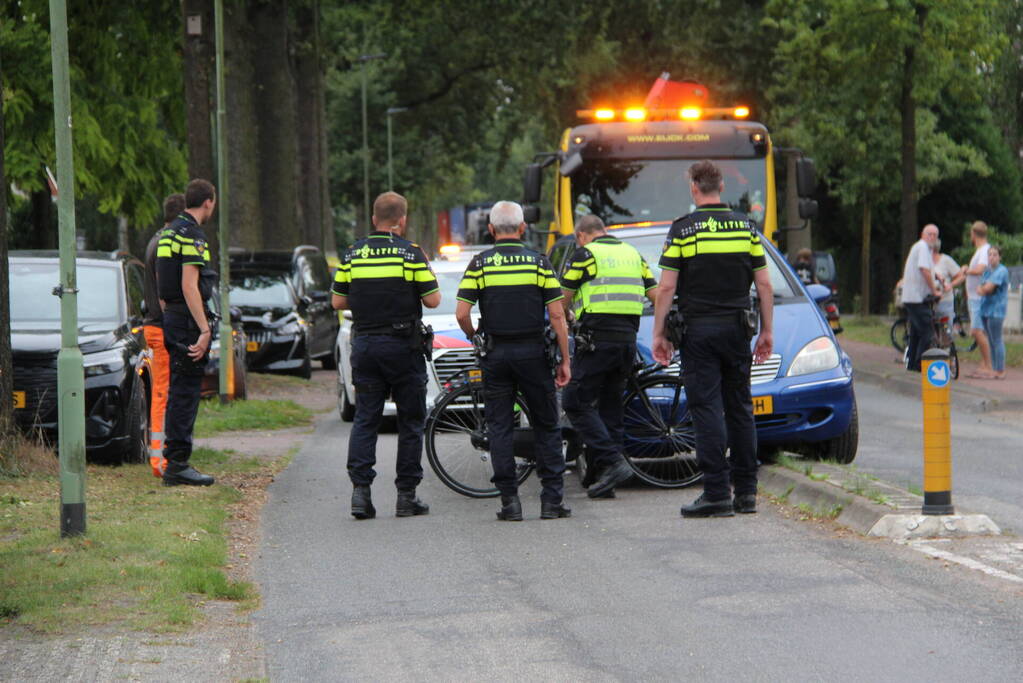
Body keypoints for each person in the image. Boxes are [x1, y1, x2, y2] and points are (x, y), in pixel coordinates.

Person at [651, 160, 773, 518]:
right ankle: (747, 493)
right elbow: (764, 284)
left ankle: (717, 492)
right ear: (721, 187)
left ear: (694, 188)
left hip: (699, 331)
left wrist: (659, 333)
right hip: (738, 329)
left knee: (706, 409)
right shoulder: (745, 227)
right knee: (740, 408)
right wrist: (767, 331)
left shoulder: (683, 230)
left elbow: (666, 287)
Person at [455, 200, 572, 521]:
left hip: (496, 355)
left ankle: (510, 503)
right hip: (535, 354)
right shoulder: (539, 263)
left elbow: (462, 313)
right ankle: (552, 501)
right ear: (522, 228)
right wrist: (564, 358)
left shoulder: (479, 264)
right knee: (547, 425)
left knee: (500, 427)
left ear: (491, 230)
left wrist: (474, 336)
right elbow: (557, 314)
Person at [332, 192, 439, 519]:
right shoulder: (411, 253)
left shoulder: (353, 254)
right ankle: (406, 496)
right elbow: (433, 300)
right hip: (403, 346)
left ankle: (360, 494)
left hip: (366, 345)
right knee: (411, 420)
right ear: (401, 220)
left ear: (373, 219)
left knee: (366, 418)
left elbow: (338, 301)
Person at [560, 215, 657, 499]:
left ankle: (614, 462)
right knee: (611, 409)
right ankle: (606, 480)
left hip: (596, 342)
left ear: (581, 235)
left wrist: (567, 318)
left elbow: (561, 299)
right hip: (627, 342)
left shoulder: (585, 255)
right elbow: (655, 294)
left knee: (574, 401)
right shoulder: (633, 254)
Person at [156, 179, 218, 486]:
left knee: (178, 388)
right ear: (208, 202)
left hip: (172, 316)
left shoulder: (168, 233)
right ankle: (178, 464)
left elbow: (162, 285)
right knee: (186, 392)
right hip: (187, 320)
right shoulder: (192, 234)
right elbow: (189, 285)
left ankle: (175, 460)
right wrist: (204, 329)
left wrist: (172, 316)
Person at [142, 192, 185, 478]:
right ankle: (161, 461)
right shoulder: (164, 245)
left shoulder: (156, 240)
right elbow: (164, 291)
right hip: (161, 326)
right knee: (163, 392)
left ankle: (162, 456)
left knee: (164, 391)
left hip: (156, 325)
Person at [899, 224, 943, 372]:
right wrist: (934, 290)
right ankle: (920, 363)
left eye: (935, 235)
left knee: (916, 333)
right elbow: (924, 270)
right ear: (923, 235)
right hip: (916, 298)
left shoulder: (922, 248)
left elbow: (927, 270)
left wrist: (937, 276)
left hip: (913, 297)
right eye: (929, 234)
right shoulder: (923, 247)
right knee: (927, 331)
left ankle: (912, 363)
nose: (932, 237)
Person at [963, 220, 994, 377]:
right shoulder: (982, 250)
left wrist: (967, 270)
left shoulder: (984, 250)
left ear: (973, 234)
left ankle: (989, 366)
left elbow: (981, 269)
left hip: (978, 297)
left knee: (977, 331)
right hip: (975, 296)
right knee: (980, 331)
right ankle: (984, 363)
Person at [977, 244, 1009, 380]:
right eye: (989, 254)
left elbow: (987, 289)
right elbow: (979, 288)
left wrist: (984, 289)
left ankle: (1000, 370)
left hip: (996, 310)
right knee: (990, 340)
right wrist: (983, 289)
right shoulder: (987, 271)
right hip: (985, 309)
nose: (991, 257)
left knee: (996, 340)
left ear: (1000, 257)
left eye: (995, 255)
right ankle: (995, 369)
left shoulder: (1002, 271)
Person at [930, 238, 964, 336]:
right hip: (928, 301)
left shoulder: (946, 260)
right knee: (930, 332)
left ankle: (947, 343)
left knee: (946, 330)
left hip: (944, 300)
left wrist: (950, 285)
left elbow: (961, 276)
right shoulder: (924, 261)